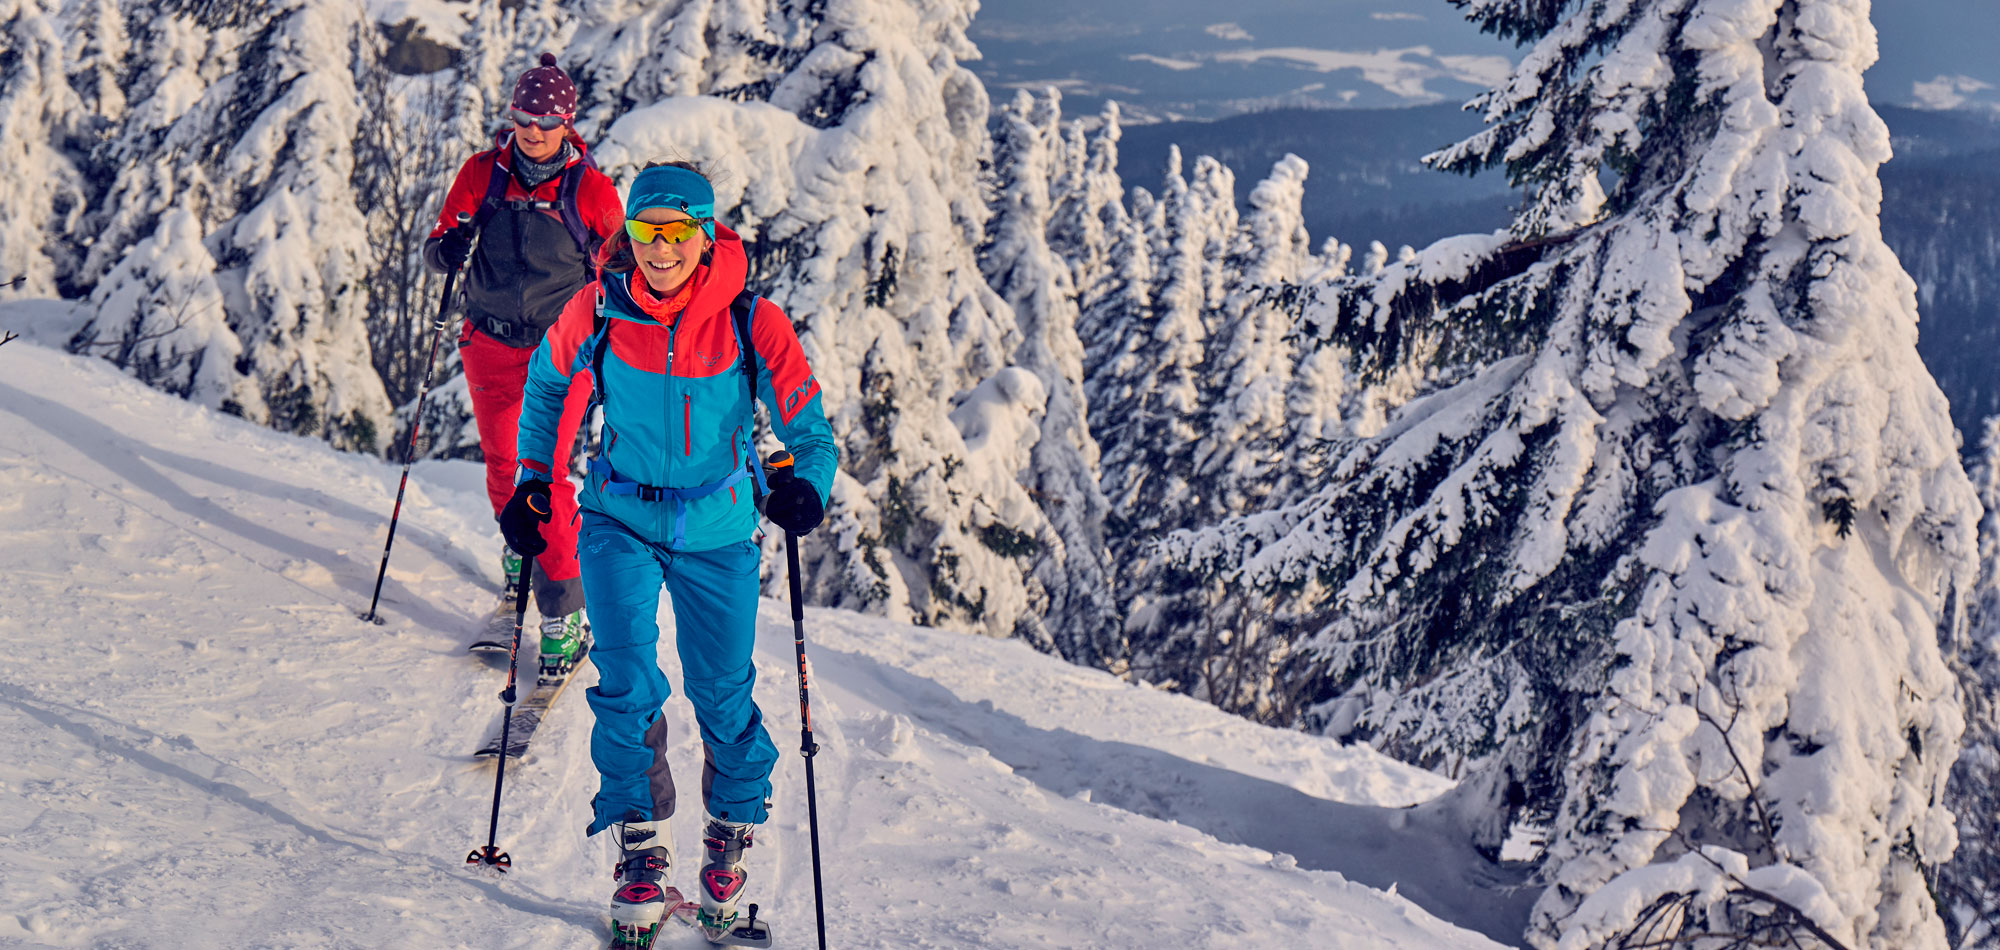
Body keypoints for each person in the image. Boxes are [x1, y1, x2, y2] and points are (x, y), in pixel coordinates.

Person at [500, 162, 835, 943]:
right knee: (626, 685)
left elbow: (810, 430)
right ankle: (642, 856)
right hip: (618, 519)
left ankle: (727, 848)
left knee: (722, 696)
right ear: (630, 234)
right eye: (646, 231)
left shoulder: (753, 320)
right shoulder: (599, 307)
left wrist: (807, 487)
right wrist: (533, 480)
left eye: (677, 232)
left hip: (719, 531)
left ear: (705, 234)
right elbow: (546, 385)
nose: (660, 249)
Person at [424, 53, 622, 680]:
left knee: (544, 477)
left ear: (567, 123)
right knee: (502, 465)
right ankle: (518, 551)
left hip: (560, 355)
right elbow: (439, 244)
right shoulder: (483, 174)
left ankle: (563, 614)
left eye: (546, 121)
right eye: (523, 118)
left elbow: (623, 269)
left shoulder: (590, 191)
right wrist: (447, 248)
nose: (533, 131)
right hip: (488, 341)